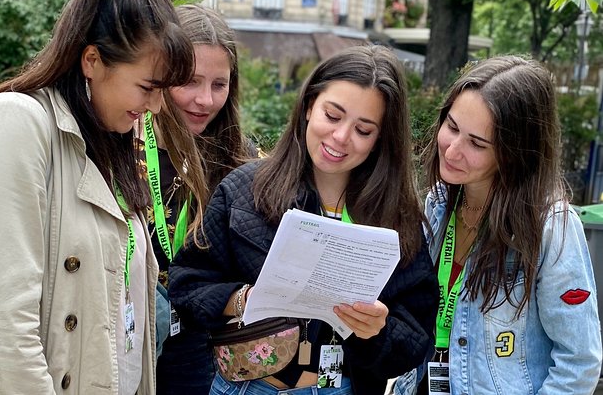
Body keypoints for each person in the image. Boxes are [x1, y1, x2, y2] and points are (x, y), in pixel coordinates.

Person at [0, 0, 207, 394]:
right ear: (92, 61)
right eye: (147, 87)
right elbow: (2, 325)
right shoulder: (15, 123)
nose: (157, 107)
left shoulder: (107, 146)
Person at [168, 45, 440, 395]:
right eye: (333, 115)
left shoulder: (395, 218)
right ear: (310, 105)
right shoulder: (244, 190)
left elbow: (416, 340)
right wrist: (242, 299)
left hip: (340, 386)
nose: (341, 137)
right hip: (246, 385)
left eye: (363, 129)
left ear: (381, 138)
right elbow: (187, 286)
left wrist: (378, 329)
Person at [393, 56, 602, 395]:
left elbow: (580, 362)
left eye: (477, 143)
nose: (452, 150)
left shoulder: (551, 227)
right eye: (452, 126)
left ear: (516, 153)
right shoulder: (438, 203)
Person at [141, 4, 251, 395]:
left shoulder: (240, 159)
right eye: (189, 81)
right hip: (127, 332)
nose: (205, 100)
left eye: (218, 85)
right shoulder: (123, 144)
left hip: (200, 346)